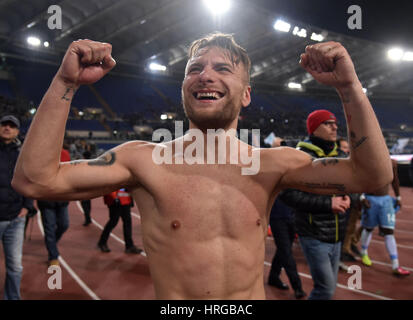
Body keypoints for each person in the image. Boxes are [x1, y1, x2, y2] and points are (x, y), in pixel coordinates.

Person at [12, 33, 393, 299]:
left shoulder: (273, 164)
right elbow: (35, 180)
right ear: (184, 90)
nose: (205, 75)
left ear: (246, 95)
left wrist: (348, 88)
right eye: (195, 69)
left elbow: (373, 177)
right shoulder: (142, 160)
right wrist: (65, 82)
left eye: (222, 69)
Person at [279, 110, 355, 299]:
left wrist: (349, 196)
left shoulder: (340, 154)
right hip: (314, 234)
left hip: (337, 233)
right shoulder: (300, 156)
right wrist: (328, 204)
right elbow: (288, 195)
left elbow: (348, 185)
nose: (335, 127)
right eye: (327, 123)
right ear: (314, 129)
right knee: (325, 289)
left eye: (335, 123)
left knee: (329, 287)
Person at [0, 115, 36, 300]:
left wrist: (27, 207)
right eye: (4, 124)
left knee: (15, 266)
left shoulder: (23, 153)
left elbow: (28, 180)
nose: (7, 128)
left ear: (17, 131)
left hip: (15, 218)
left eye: (11, 126)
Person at [359, 159, 410, 276]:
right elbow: (359, 179)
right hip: (370, 199)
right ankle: (364, 252)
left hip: (385, 200)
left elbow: (395, 179)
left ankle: (395, 265)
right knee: (368, 228)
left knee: (389, 231)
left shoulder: (391, 162)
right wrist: (361, 197)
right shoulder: (366, 161)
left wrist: (398, 198)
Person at [38, 148, 71, 266]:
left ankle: (51, 243)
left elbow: (69, 174)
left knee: (64, 224)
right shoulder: (40, 154)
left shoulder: (65, 153)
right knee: (49, 229)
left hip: (62, 198)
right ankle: (53, 256)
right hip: (46, 199)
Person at [97, 188, 143, 254]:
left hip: (125, 200)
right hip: (115, 201)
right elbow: (111, 185)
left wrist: (130, 199)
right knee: (113, 222)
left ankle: (129, 246)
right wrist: (114, 197)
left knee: (127, 223)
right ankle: (102, 242)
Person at [80, 150, 92, 226]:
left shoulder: (82, 164)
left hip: (84, 186)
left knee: (84, 204)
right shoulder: (92, 163)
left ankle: (87, 218)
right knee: (88, 203)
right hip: (90, 186)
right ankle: (88, 217)